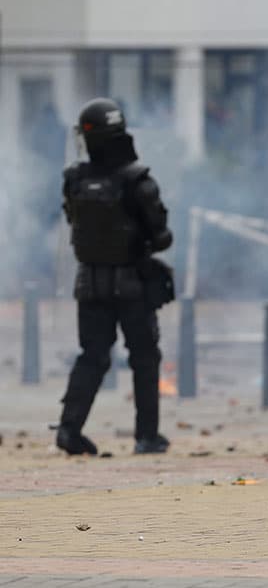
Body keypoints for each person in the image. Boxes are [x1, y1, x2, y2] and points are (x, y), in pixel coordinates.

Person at [56, 98, 176, 455]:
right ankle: (146, 436)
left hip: (89, 283)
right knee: (143, 356)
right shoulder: (137, 180)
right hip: (132, 285)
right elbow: (161, 236)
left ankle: (68, 429)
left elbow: (72, 223)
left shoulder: (74, 180)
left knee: (91, 356)